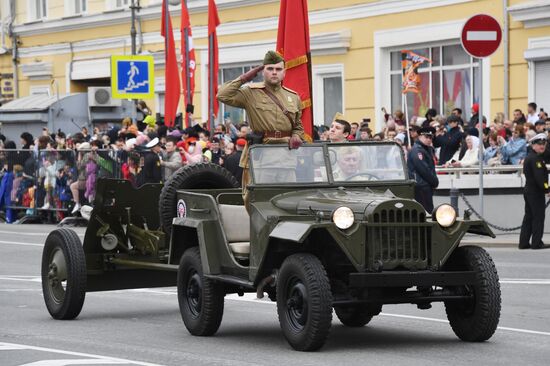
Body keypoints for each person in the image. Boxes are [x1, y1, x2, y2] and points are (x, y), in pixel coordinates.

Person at [217, 50, 305, 209]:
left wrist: (297, 135)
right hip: (262, 156)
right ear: (262, 71)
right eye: (270, 69)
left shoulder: (293, 97)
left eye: (278, 69)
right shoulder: (251, 92)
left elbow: (298, 125)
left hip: (286, 158)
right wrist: (246, 77)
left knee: (289, 202)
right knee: (258, 202)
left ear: (284, 72)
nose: (274, 73)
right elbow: (222, 95)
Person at [519, 133, 550, 249]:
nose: (542, 146)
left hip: (529, 191)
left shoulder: (530, 157)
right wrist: (547, 189)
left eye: (544, 144)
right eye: (539, 144)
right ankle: (537, 243)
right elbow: (539, 178)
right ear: (533, 145)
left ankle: (523, 243)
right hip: (535, 192)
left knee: (528, 217)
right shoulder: (536, 159)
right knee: (538, 217)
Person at [407, 127, 439, 213]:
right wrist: (435, 181)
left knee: (427, 211)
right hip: (420, 186)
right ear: (420, 136)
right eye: (426, 137)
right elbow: (424, 170)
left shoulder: (426, 149)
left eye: (430, 137)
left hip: (424, 185)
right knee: (425, 212)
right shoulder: (417, 150)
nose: (429, 139)